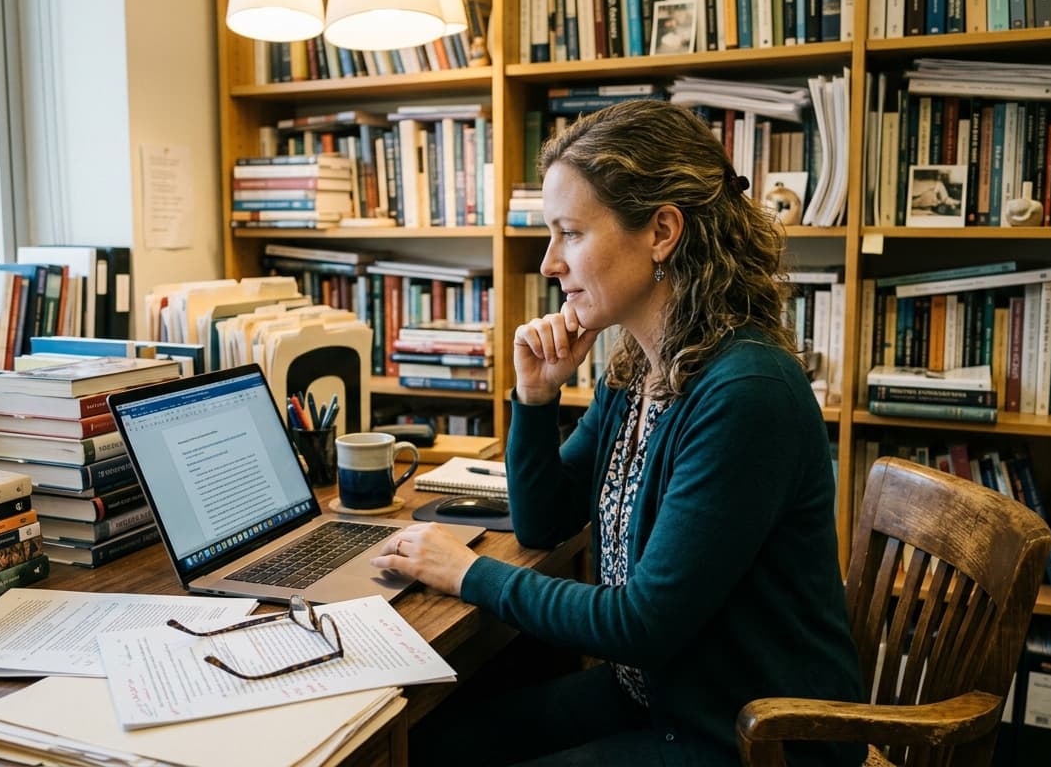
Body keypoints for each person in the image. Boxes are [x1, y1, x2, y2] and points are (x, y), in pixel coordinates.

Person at [369, 99, 864, 766]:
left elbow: (642, 625)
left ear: (661, 232)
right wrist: (537, 398)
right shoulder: (636, 368)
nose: (548, 263)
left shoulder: (746, 392)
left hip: (752, 736)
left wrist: (466, 572)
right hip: (661, 697)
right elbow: (545, 522)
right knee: (433, 743)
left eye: (569, 232)